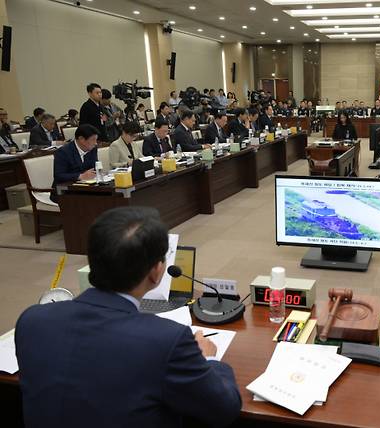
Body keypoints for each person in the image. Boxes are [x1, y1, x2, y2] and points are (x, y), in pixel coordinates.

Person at [15, 206, 242, 427]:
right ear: (156, 271)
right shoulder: (167, 341)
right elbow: (225, 409)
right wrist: (210, 359)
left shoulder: (32, 320)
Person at [51, 124, 99, 197]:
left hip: (86, 187)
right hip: (65, 191)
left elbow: (94, 168)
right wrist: (80, 176)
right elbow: (59, 176)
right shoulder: (63, 152)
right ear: (81, 139)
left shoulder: (93, 149)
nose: (96, 143)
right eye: (93, 140)